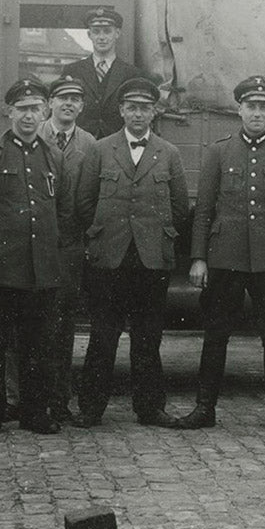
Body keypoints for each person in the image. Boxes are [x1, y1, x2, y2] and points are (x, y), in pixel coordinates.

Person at [178, 75, 265, 435]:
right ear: (239, 110)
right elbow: (204, 210)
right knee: (215, 335)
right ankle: (204, 408)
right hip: (226, 257)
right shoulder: (219, 151)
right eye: (251, 106)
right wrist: (198, 257)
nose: (257, 113)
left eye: (263, 107)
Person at [0, 78, 70, 436]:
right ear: (9, 112)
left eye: (35, 108)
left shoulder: (55, 157)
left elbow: (63, 211)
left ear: (45, 111)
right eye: (22, 109)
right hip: (0, 270)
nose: (28, 116)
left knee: (38, 345)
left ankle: (35, 413)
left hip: (40, 270)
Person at [73, 77, 188, 429]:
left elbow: (179, 207)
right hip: (109, 257)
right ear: (121, 111)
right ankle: (91, 408)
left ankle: (150, 408)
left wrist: (156, 237)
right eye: (132, 108)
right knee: (102, 336)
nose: (138, 114)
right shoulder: (100, 149)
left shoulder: (169, 153)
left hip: (151, 260)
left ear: (154, 113)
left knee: (148, 338)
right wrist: (102, 235)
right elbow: (84, 202)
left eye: (145, 108)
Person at [37, 75, 94, 422]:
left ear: (82, 106)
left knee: (63, 325)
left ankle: (59, 399)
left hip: (70, 244)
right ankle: (21, 397)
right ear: (50, 103)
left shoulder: (91, 144)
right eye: (62, 98)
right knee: (27, 323)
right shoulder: (33, 135)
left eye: (75, 99)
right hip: (34, 244)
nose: (68, 104)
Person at [60, 6, 148, 139]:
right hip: (80, 143)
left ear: (117, 33)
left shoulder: (132, 74)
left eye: (107, 31)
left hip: (117, 144)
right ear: (89, 35)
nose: (101, 37)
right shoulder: (73, 70)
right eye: (96, 32)